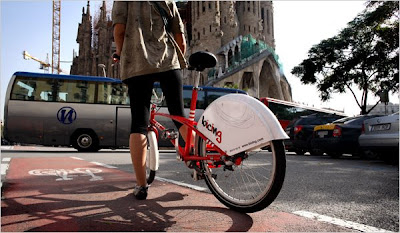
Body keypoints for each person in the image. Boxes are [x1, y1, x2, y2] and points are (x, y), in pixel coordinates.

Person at [112, 1, 189, 200]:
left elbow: (119, 30)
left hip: (137, 61)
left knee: (139, 123)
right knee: (180, 116)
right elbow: (180, 37)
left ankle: (141, 185)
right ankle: (199, 162)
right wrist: (179, 59)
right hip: (168, 62)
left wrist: (120, 54)